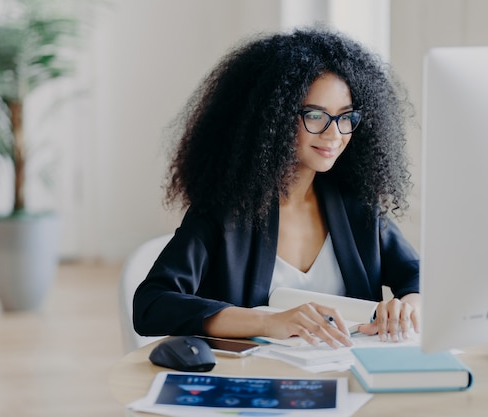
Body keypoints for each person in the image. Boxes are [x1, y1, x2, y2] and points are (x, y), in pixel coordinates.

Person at [133, 28, 420, 348]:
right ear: (273, 117)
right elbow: (151, 304)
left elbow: (419, 277)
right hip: (256, 382)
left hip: (349, 378)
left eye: (346, 117)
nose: (334, 134)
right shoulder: (223, 212)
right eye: (315, 115)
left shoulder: (358, 207)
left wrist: (407, 307)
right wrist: (269, 321)